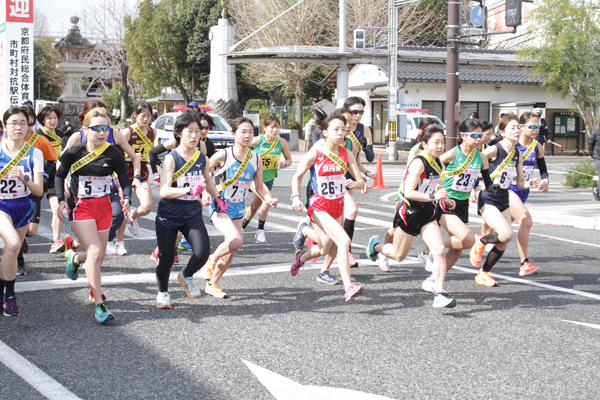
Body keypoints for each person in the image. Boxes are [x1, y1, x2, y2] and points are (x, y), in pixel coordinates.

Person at [365, 126, 456, 308]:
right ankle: (376, 246)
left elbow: (433, 183)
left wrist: (444, 195)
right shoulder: (419, 162)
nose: (441, 146)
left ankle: (438, 293)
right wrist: (432, 197)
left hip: (427, 213)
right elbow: (408, 192)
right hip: (409, 213)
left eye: (443, 142)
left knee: (438, 250)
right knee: (398, 256)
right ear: (424, 143)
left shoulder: (438, 162)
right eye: (436, 142)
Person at [57, 107, 132, 324]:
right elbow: (59, 174)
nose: (101, 133)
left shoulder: (114, 153)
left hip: (104, 207)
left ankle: (74, 257)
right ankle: (99, 303)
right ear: (85, 129)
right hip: (81, 207)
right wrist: (61, 199)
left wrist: (126, 200)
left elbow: (124, 181)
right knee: (97, 250)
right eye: (96, 128)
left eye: (106, 129)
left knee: (97, 257)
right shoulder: (74, 151)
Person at [290, 112, 366, 302]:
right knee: (344, 241)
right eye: (336, 129)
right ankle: (348, 287)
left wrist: (355, 184)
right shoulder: (317, 152)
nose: (341, 133)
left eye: (343, 129)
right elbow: (297, 175)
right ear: (325, 132)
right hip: (319, 205)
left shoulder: (347, 153)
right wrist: (295, 197)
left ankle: (300, 259)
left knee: (325, 249)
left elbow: (360, 182)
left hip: (338, 205)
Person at [199, 117, 278, 298]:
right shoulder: (223, 155)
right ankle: (210, 260)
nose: (247, 135)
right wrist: (204, 193)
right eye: (243, 131)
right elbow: (204, 174)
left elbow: (258, 187)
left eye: (251, 132)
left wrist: (269, 198)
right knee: (236, 241)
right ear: (233, 134)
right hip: (220, 206)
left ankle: (212, 284)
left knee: (231, 250)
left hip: (238, 208)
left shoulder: (255, 159)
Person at [154, 111, 223, 309]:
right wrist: (188, 189)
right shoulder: (171, 158)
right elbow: (164, 191)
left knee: (202, 252)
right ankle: (163, 292)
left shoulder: (202, 158)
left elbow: (207, 180)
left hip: (191, 212)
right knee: (166, 258)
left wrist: (218, 198)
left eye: (197, 131)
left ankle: (185, 276)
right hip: (169, 214)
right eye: (189, 131)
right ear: (179, 134)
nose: (195, 136)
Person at [63, 100, 142, 258]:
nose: (102, 130)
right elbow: (62, 161)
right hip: (81, 192)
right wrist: (66, 177)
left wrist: (136, 177)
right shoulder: (78, 137)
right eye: (95, 114)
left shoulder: (113, 134)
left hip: (107, 187)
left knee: (118, 215)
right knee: (95, 248)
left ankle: (83, 245)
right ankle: (87, 250)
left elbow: (134, 157)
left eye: (104, 117)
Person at [421, 119, 491, 294]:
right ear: (463, 136)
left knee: (457, 251)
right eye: (474, 135)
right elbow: (432, 171)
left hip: (463, 205)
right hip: (446, 202)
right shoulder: (451, 155)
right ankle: (433, 247)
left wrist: (476, 189)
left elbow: (483, 182)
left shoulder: (481, 157)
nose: (478, 139)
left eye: (480, 135)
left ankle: (432, 280)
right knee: (469, 240)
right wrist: (439, 191)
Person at [469, 114, 535, 287]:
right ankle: (481, 240)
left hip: (503, 197)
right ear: (503, 132)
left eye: (518, 127)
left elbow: (520, 182)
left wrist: (531, 183)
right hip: (488, 196)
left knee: (504, 240)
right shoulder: (493, 150)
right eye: (512, 128)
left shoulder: (517, 155)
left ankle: (483, 273)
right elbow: (473, 166)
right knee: (506, 234)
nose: (517, 130)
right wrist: (474, 188)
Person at [490, 112, 548, 276]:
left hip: (523, 190)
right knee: (526, 220)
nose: (536, 130)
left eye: (539, 126)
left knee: (502, 232)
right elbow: (485, 161)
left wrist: (545, 181)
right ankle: (524, 263)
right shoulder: (510, 146)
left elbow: (543, 170)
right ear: (521, 127)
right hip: (508, 190)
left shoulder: (537, 146)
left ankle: (480, 243)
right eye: (533, 127)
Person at [0, 106, 44, 316]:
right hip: (2, 206)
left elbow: (39, 190)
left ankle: (2, 292)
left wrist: (23, 178)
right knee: (14, 243)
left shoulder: (35, 153)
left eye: (23, 123)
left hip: (23, 206)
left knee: (13, 251)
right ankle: (10, 296)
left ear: (29, 127)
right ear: (4, 126)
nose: (19, 127)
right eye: (14, 123)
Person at [17, 107, 57, 276]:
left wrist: (46, 174)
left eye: (30, 123)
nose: (27, 127)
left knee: (32, 231)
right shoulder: (8, 142)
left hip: (34, 188)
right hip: (14, 192)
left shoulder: (40, 140)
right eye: (21, 123)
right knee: (14, 227)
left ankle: (21, 239)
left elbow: (52, 158)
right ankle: (19, 259)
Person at [241, 115, 292, 242]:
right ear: (265, 128)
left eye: (277, 127)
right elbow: (241, 145)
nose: (275, 130)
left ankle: (241, 228)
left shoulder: (281, 142)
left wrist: (284, 164)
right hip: (253, 178)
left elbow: (289, 159)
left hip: (268, 178)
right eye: (272, 127)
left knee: (254, 206)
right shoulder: (258, 140)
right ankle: (260, 232)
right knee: (267, 200)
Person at [116, 101, 154, 253]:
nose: (145, 119)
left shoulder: (153, 132)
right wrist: (129, 156)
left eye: (149, 116)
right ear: (135, 115)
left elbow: (153, 153)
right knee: (122, 210)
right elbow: (116, 154)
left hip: (142, 172)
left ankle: (134, 215)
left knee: (147, 206)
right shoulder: (127, 132)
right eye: (142, 116)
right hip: (125, 172)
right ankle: (120, 243)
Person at [36, 105, 66, 253]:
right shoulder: (37, 136)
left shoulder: (62, 135)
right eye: (49, 118)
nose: (53, 121)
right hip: (38, 176)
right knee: (29, 212)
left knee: (56, 207)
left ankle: (56, 241)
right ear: (42, 120)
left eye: (55, 118)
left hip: (56, 176)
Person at [343, 97, 375, 163]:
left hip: (354, 169)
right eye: (355, 112)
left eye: (361, 112)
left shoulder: (365, 130)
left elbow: (370, 159)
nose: (358, 115)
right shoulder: (339, 127)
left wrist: (365, 148)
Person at [589, 125, 600, 200]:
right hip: (598, 157)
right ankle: (597, 191)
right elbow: (590, 144)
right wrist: (593, 155)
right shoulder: (596, 132)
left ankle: (597, 190)